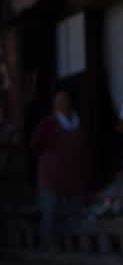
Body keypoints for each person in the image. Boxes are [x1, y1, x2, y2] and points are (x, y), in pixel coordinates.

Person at [29, 88, 85, 250]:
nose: (60, 104)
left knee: (71, 213)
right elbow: (35, 145)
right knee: (50, 213)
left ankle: (68, 247)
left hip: (72, 176)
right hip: (51, 176)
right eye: (58, 101)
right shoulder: (49, 123)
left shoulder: (77, 123)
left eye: (64, 100)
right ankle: (47, 247)